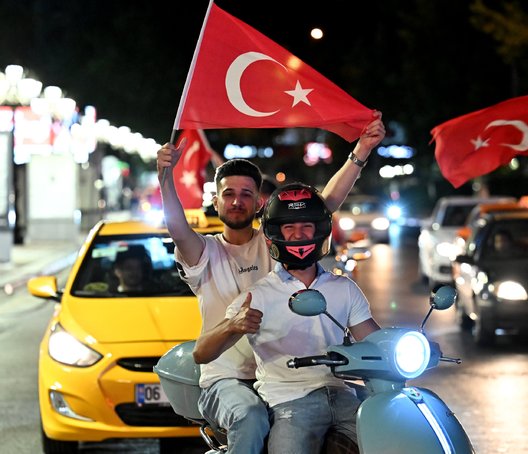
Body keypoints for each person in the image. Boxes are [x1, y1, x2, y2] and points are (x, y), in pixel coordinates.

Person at [156, 112, 385, 454]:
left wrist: (361, 151)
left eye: (246, 194)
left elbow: (323, 206)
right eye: (228, 194)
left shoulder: (275, 241)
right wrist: (165, 178)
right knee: (250, 416)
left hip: (290, 376)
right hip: (231, 376)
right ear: (215, 200)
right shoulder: (204, 251)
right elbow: (177, 227)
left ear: (260, 202)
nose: (237, 201)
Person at [194, 183, 381, 453]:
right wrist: (231, 326)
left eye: (305, 226)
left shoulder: (344, 288)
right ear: (275, 234)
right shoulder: (257, 296)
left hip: (343, 394)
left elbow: (374, 340)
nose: (298, 235)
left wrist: (404, 346)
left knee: (392, 437)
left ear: (319, 230)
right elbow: (201, 353)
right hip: (290, 402)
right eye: (289, 228)